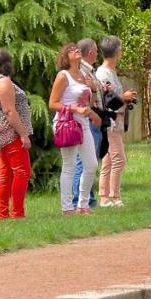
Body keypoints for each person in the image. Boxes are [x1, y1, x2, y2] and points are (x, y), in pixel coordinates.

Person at [48, 43, 100, 215]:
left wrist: (92, 91)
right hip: (67, 123)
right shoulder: (63, 76)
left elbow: (87, 103)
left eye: (77, 48)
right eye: (71, 50)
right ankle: (67, 207)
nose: (76, 50)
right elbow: (52, 103)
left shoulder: (84, 75)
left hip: (83, 123)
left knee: (91, 164)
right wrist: (75, 110)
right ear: (65, 57)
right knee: (69, 165)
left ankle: (83, 204)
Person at [0, 48, 31, 220]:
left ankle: (2, 214)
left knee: (6, 173)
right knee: (21, 171)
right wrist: (23, 134)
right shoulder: (3, 81)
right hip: (11, 133)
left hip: (2, 131)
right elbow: (9, 110)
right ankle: (17, 213)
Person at [95, 36, 136, 207]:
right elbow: (107, 99)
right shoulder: (103, 73)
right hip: (110, 121)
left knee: (109, 160)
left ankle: (104, 197)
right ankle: (114, 197)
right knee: (119, 159)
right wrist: (123, 97)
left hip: (116, 121)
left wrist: (125, 98)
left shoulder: (110, 72)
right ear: (117, 52)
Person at [71, 38, 105, 209]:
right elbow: (83, 97)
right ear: (90, 52)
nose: (98, 53)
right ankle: (79, 198)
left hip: (92, 118)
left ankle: (87, 198)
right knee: (83, 162)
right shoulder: (83, 71)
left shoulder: (88, 71)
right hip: (88, 118)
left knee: (88, 161)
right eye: (96, 50)